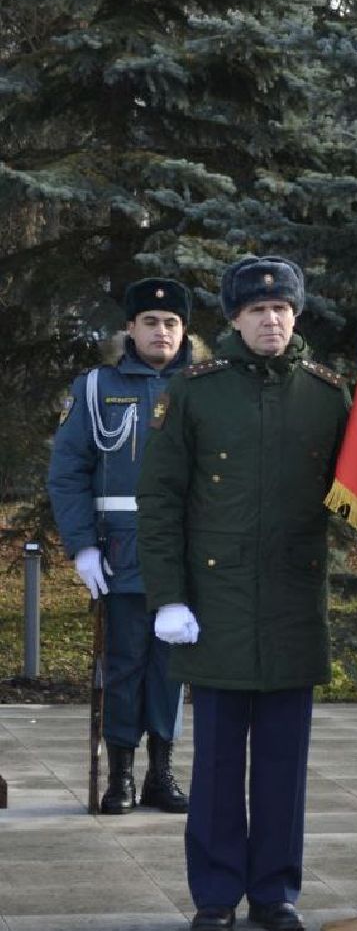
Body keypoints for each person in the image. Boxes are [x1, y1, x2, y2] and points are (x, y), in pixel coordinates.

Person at [138, 256, 350, 931]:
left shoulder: (327, 395)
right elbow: (160, 499)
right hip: (217, 602)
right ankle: (216, 892)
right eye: (257, 310)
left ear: (297, 315)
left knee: (285, 764)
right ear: (234, 318)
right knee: (218, 763)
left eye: (281, 309)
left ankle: (275, 891)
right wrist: (168, 596)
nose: (271, 320)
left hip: (292, 601)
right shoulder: (196, 393)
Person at [48, 278, 196, 815]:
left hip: (186, 553)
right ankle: (121, 775)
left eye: (172, 322)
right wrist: (82, 546)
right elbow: (68, 472)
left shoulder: (204, 386)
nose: (162, 332)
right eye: (150, 322)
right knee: (125, 664)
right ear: (130, 328)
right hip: (120, 553)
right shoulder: (95, 388)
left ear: (185, 330)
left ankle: (162, 771)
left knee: (172, 667)